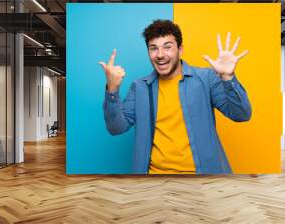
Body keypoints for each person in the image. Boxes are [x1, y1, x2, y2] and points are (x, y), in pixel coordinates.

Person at [100, 19, 251, 174]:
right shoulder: (139, 87)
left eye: (167, 47)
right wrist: (112, 89)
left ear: (180, 50)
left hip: (202, 179)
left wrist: (228, 77)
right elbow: (116, 128)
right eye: (153, 48)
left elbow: (242, 114)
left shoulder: (206, 78)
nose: (160, 55)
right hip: (153, 180)